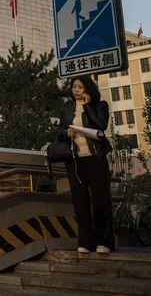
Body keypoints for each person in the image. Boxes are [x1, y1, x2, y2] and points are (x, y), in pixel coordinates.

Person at [55, 75, 114, 253]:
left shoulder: (100, 105)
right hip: (75, 160)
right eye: (74, 87)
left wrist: (88, 106)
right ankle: (85, 242)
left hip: (95, 158)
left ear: (88, 89)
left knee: (100, 200)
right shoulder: (66, 109)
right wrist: (67, 134)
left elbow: (100, 126)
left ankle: (103, 242)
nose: (76, 90)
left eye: (80, 87)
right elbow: (59, 133)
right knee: (80, 202)